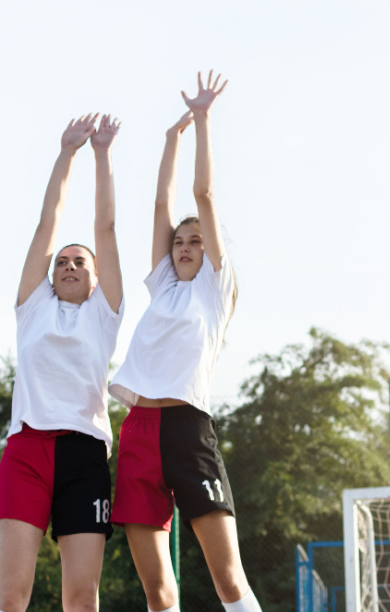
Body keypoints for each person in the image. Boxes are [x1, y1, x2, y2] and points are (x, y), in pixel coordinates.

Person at [109, 72, 261, 612]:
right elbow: (160, 206)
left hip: (187, 430)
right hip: (138, 432)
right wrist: (168, 142)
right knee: (158, 591)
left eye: (196, 240)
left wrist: (201, 120)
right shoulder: (163, 286)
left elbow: (204, 194)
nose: (185, 246)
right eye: (179, 241)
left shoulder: (214, 291)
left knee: (228, 581)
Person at [0, 114, 124, 612]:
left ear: (96, 277)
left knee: (81, 597)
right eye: (62, 261)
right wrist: (66, 153)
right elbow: (47, 224)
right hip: (26, 451)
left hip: (84, 456)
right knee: (11, 593)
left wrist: (101, 154)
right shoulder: (33, 305)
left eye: (80, 262)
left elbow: (105, 228)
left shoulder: (104, 313)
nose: (68, 265)